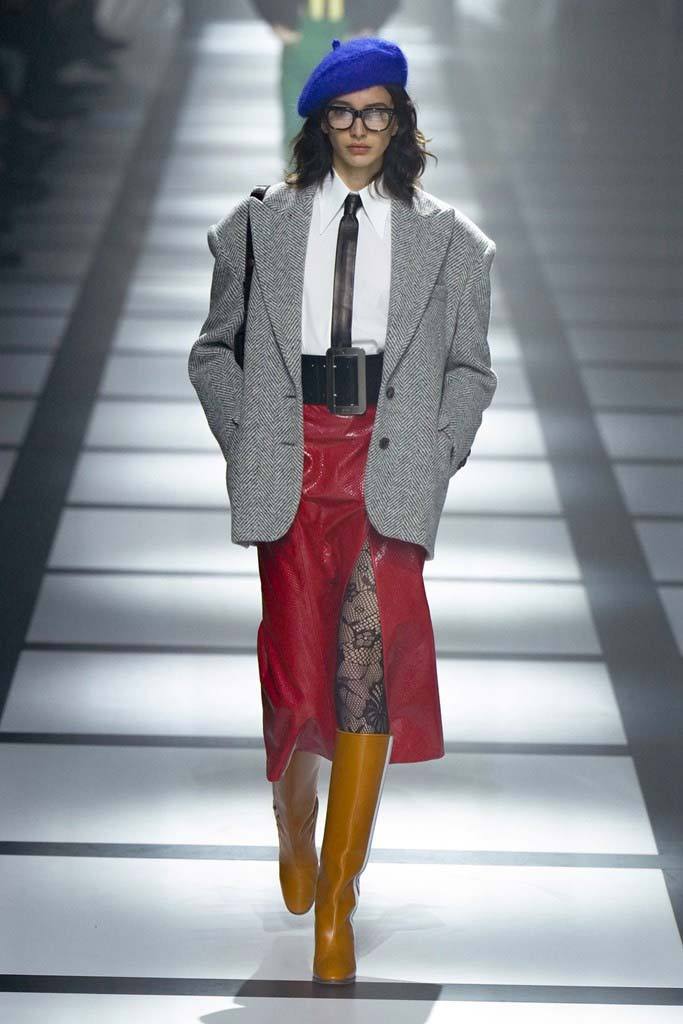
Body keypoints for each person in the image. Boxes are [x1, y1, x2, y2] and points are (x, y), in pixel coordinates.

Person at [188, 35, 497, 985]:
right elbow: (214, 350)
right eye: (342, 113)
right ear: (319, 122)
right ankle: (294, 822)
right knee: (295, 672)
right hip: (291, 455)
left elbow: (469, 369)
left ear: (400, 122)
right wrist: (247, 438)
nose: (359, 129)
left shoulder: (453, 240)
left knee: (367, 670)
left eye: (376, 113)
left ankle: (338, 895)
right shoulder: (257, 225)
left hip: (386, 462)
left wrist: (437, 455)